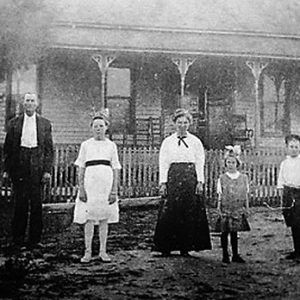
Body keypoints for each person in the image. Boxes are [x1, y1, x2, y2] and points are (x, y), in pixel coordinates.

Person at [153, 108, 211, 257]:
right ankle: (166, 247)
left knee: (188, 211)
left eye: (185, 122)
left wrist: (200, 181)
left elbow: (200, 162)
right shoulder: (168, 142)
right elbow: (163, 163)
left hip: (190, 177)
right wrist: (163, 183)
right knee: (170, 210)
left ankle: (185, 247)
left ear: (189, 124)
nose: (182, 125)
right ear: (174, 124)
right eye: (179, 122)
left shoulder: (195, 141)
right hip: (173, 177)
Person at [3, 93, 54, 250]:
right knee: (20, 203)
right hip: (20, 164)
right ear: (23, 104)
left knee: (36, 203)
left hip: (37, 164)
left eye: (32, 101)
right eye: (27, 101)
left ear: (37, 104)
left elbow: (49, 150)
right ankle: (17, 239)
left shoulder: (45, 124)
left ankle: (35, 240)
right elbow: (8, 149)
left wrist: (46, 170)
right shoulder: (14, 123)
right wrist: (6, 169)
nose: (30, 103)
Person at [73, 109, 121, 263]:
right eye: (95, 126)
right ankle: (87, 251)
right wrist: (81, 188)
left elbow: (116, 168)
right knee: (89, 218)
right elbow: (81, 168)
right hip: (90, 185)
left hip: (105, 186)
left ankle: (103, 251)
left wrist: (114, 190)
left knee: (103, 218)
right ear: (91, 128)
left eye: (101, 126)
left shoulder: (111, 146)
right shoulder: (86, 145)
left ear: (106, 127)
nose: (98, 129)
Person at [215, 145, 250, 263]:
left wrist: (246, 208)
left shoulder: (243, 178)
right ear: (225, 164)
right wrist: (219, 208)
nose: (230, 165)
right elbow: (220, 194)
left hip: (237, 208)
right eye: (228, 162)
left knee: (234, 232)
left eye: (233, 162)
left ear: (237, 164)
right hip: (225, 208)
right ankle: (225, 254)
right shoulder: (222, 178)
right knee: (224, 232)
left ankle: (235, 254)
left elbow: (246, 194)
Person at [277, 134, 300, 260]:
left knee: (299, 222)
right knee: (291, 221)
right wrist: (281, 192)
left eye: (296, 147)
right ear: (287, 147)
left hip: (299, 193)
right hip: (288, 193)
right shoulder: (284, 163)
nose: (294, 149)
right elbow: (281, 179)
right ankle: (296, 250)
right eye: (291, 146)